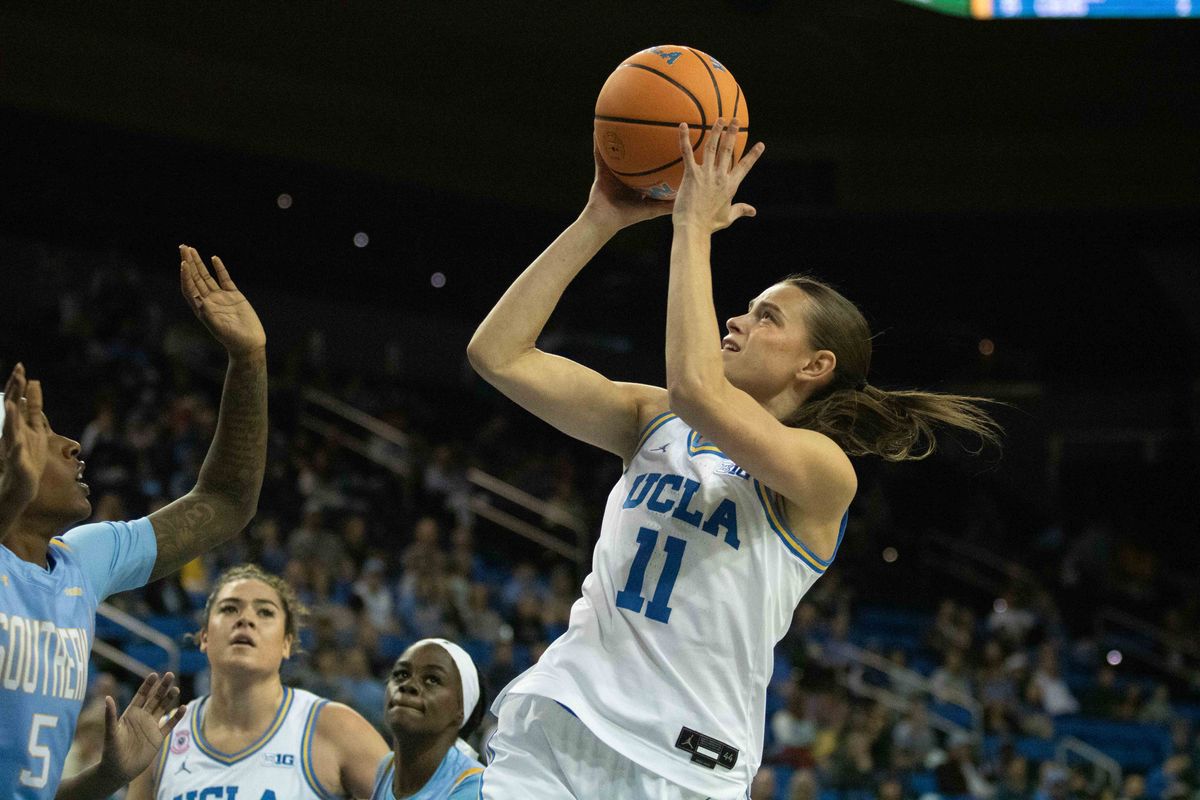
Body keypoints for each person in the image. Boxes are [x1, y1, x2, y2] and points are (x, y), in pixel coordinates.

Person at [467, 119, 1000, 799]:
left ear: (817, 365)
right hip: (561, 720)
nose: (738, 322)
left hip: (685, 763)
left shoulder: (823, 472)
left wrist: (692, 227)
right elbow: (498, 355)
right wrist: (598, 219)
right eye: (747, 309)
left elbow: (697, 389)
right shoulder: (652, 416)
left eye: (766, 317)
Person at [0, 246, 270, 799]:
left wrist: (248, 362)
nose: (72, 445)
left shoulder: (80, 560)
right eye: (43, 433)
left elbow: (224, 500)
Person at [126, 563, 389, 800]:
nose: (246, 619)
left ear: (287, 644)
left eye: (265, 612)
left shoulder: (335, 727)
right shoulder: (163, 736)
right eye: (229, 608)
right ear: (204, 637)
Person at [371, 639, 487, 800]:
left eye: (432, 679)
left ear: (460, 709)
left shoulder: (476, 789)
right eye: (401, 674)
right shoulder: (387, 767)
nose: (408, 684)